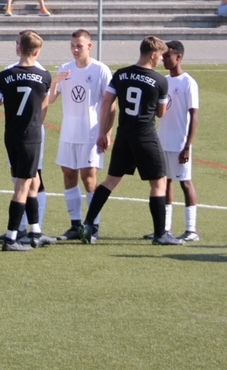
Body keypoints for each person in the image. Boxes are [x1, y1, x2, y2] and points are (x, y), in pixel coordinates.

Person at [80, 36, 173, 245]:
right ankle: (160, 234)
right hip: (146, 137)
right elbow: (160, 113)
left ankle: (88, 223)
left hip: (124, 136)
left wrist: (103, 132)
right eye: (161, 56)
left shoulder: (121, 74)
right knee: (159, 183)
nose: (161, 60)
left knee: (110, 181)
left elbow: (107, 102)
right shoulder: (160, 80)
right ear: (153, 55)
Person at [0, 31, 54, 251]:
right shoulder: (44, 76)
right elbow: (44, 106)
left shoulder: (5, 75)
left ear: (18, 48)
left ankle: (35, 232)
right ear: (37, 52)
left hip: (11, 136)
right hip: (31, 137)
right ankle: (11, 238)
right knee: (23, 186)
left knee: (32, 182)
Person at [48, 29, 113, 241]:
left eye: (79, 46)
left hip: (91, 133)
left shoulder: (101, 70)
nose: (75, 50)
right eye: (73, 46)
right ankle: (75, 225)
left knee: (89, 177)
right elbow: (50, 99)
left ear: (89, 46)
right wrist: (54, 83)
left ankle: (93, 225)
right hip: (68, 132)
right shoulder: (65, 69)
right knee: (68, 174)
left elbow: (112, 105)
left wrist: (107, 132)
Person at [158, 40, 200, 243]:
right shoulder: (164, 81)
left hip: (180, 142)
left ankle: (191, 229)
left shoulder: (188, 82)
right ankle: (165, 228)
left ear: (179, 57)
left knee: (185, 182)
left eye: (168, 56)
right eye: (163, 56)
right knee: (165, 181)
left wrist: (187, 146)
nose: (164, 59)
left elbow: (194, 115)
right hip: (163, 140)